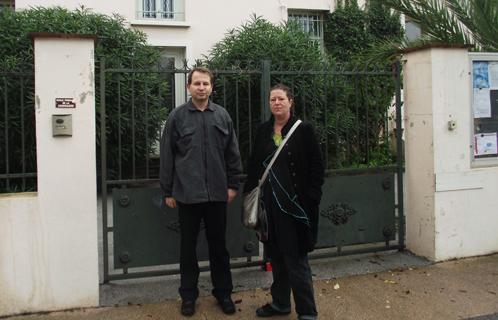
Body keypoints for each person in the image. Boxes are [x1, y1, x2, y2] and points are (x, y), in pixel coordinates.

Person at [160, 67, 242, 317]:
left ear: (211, 87)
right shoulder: (177, 117)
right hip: (187, 194)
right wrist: (168, 190)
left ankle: (224, 293)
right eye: (197, 83)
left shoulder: (222, 116)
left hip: (218, 193)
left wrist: (232, 184)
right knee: (188, 248)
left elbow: (232, 153)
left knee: (219, 247)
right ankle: (188, 295)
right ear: (189, 87)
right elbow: (167, 156)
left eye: (205, 83)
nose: (201, 88)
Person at [244, 84, 325, 320]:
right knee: (276, 258)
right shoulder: (263, 131)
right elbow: (254, 166)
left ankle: (307, 312)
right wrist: (250, 196)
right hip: (269, 207)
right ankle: (280, 303)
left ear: (291, 102)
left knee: (296, 260)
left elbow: (317, 168)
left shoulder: (304, 130)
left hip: (295, 209)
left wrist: (311, 199)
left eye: (281, 99)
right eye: (273, 100)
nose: (276, 103)